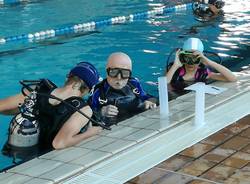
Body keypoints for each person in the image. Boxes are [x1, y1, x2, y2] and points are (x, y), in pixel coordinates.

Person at [0, 62, 103, 151]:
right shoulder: (83, 109)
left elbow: (2, 107)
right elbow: (59, 143)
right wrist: (90, 133)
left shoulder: (38, 89)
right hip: (38, 158)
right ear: (88, 89)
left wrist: (24, 112)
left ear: (68, 77)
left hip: (14, 148)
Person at [88, 52, 157, 126]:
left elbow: (150, 98)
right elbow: (85, 115)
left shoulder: (133, 84)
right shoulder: (99, 91)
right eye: (114, 72)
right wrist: (101, 112)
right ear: (106, 71)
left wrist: (149, 102)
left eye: (125, 73)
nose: (119, 78)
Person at [166, 38, 237, 90]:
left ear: (201, 60)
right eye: (187, 58)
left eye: (195, 58)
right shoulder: (174, 71)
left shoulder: (204, 74)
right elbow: (163, 86)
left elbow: (232, 78)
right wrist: (175, 66)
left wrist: (209, 62)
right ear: (181, 58)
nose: (191, 63)